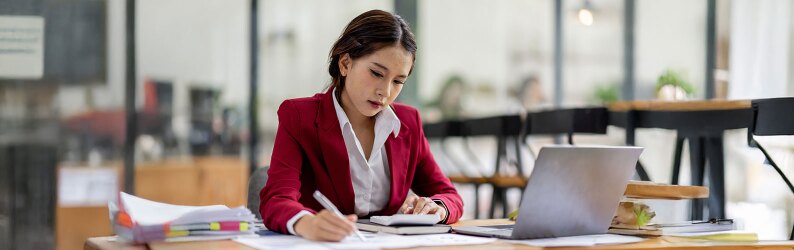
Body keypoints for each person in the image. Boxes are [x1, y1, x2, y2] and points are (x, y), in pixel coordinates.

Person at [259, 10, 463, 242]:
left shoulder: (408, 123)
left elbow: (449, 195)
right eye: (376, 73)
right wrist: (307, 223)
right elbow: (276, 200)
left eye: (398, 81)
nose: (385, 91)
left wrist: (438, 208)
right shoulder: (299, 116)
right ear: (345, 63)